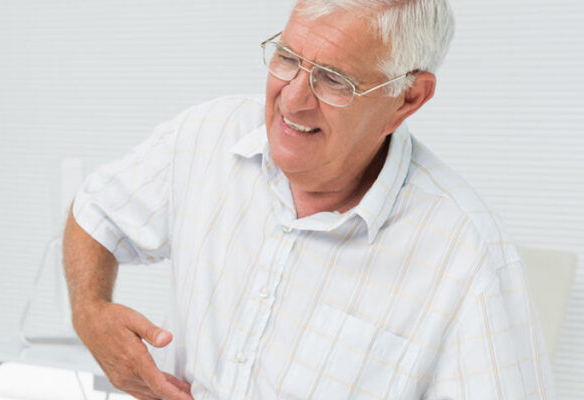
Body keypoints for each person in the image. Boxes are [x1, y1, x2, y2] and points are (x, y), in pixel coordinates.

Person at [64, 0, 554, 398]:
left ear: (408, 98)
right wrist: (90, 312)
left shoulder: (467, 256)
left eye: (334, 80)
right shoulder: (206, 135)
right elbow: (96, 212)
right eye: (287, 59)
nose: (293, 99)